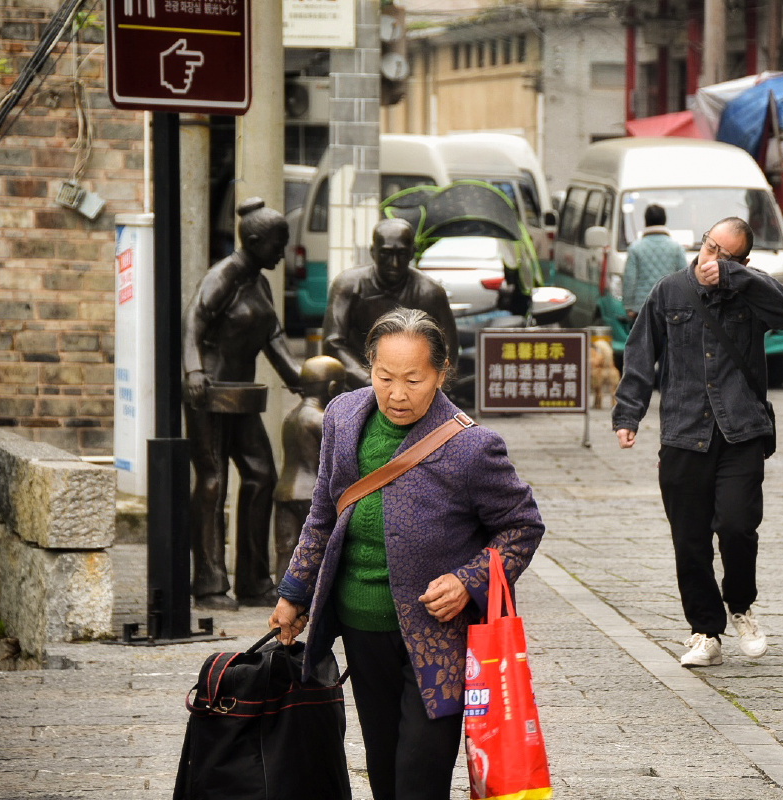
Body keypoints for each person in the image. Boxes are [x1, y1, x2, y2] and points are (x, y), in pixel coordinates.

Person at [269, 308, 545, 800]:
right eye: (384, 376)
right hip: (360, 626)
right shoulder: (344, 416)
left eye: (413, 379)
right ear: (368, 366)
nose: (397, 394)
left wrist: (468, 581)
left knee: (420, 775)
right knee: (383, 766)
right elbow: (323, 513)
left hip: (437, 639)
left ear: (440, 374)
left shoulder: (471, 448)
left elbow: (522, 526)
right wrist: (294, 593)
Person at [613, 217, 783, 668]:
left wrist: (738, 278)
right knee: (689, 540)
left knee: (737, 527)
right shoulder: (669, 291)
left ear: (744, 262)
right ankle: (704, 631)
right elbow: (640, 354)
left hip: (742, 431)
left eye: (727, 256)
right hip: (683, 432)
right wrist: (628, 412)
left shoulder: (751, 291)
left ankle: (740, 605)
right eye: (711, 248)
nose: (713, 260)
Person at [183, 197, 303, 610]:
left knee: (261, 475)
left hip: (242, 396)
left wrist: (302, 380)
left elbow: (273, 339)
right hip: (209, 394)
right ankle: (210, 583)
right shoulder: (224, 276)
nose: (282, 253)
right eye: (277, 244)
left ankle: (253, 580)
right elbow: (193, 320)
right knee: (213, 482)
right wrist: (193, 371)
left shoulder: (260, 281)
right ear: (253, 241)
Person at [322, 218, 459, 392]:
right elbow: (332, 342)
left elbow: (448, 351)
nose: (394, 263)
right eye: (386, 254)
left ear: (412, 253)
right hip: (358, 385)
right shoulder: (348, 286)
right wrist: (371, 382)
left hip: (414, 389)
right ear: (373, 252)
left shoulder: (430, 293)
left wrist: (426, 387)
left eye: (401, 254)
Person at [273, 354, 345, 585]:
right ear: (333, 387)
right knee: (317, 549)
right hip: (311, 494)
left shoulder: (291, 416)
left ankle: (282, 595)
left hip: (285, 491)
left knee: (286, 548)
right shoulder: (321, 419)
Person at [622, 203, 688, 321]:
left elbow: (629, 279)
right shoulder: (677, 248)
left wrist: (629, 307)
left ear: (645, 221)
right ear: (664, 220)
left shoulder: (635, 248)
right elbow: (684, 278)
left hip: (642, 307)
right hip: (670, 306)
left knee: (644, 339)